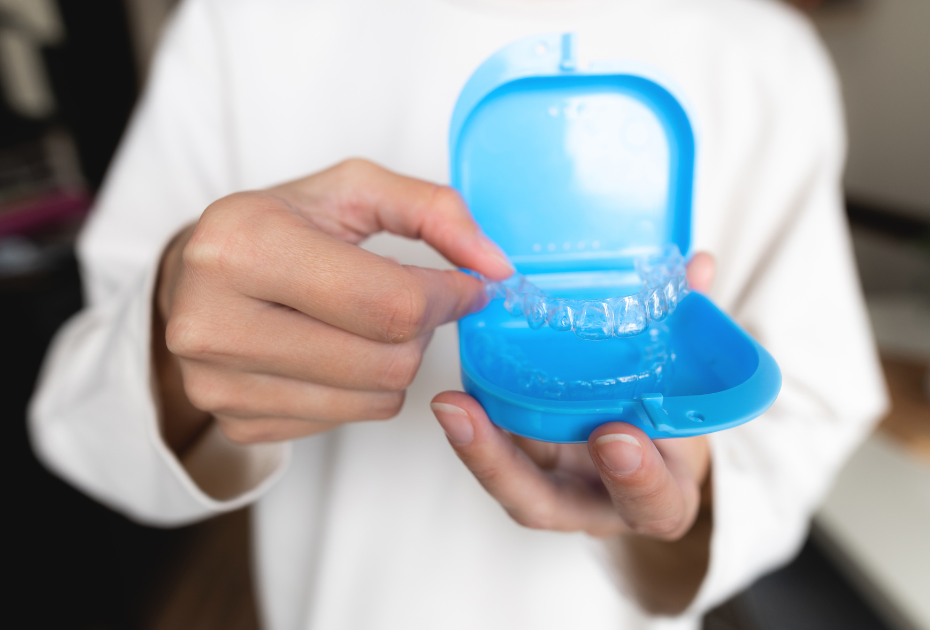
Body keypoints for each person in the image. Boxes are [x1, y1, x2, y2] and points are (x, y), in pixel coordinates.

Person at [29, 0, 887, 628]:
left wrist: (685, 501)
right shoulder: (244, 22)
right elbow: (79, 417)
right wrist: (172, 344)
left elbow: (814, 398)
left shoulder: (764, 54)